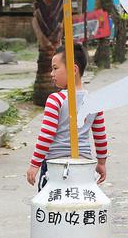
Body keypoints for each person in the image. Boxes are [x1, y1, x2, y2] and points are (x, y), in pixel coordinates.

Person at [26, 43, 108, 190]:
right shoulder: (95, 101)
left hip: (55, 166)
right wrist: (101, 163)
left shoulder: (55, 99)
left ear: (73, 70)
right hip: (83, 166)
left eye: (55, 68)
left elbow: (46, 135)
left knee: (53, 209)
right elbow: (100, 136)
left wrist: (34, 164)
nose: (52, 73)